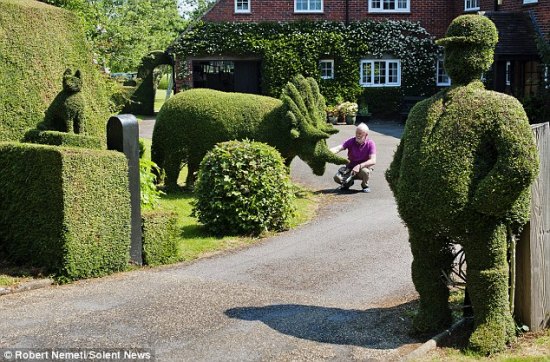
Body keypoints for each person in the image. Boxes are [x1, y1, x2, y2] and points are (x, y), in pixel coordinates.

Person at [330, 123, 376, 193]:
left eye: (360, 133)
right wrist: (327, 152)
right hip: (350, 167)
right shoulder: (351, 141)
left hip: (362, 168)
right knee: (337, 178)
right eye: (356, 133)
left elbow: (373, 160)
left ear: (366, 135)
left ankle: (365, 185)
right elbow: (339, 148)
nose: (357, 135)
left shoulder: (370, 143)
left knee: (366, 172)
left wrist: (359, 166)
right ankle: (348, 183)